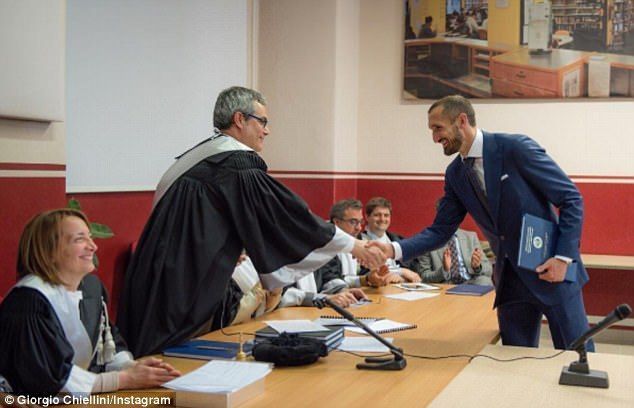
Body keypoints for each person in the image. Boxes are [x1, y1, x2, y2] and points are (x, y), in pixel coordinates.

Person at [117, 86, 385, 357]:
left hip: (160, 275)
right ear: (239, 119)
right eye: (263, 122)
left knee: (158, 358)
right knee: (172, 368)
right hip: (181, 286)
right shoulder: (233, 163)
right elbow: (287, 215)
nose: (266, 131)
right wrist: (353, 246)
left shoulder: (199, 158)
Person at [370, 95, 593, 351]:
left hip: (553, 272)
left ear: (461, 120)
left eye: (438, 128)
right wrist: (393, 250)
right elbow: (440, 230)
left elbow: (571, 199)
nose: (434, 138)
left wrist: (564, 258)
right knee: (513, 364)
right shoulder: (455, 174)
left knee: (579, 360)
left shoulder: (515, 148)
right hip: (511, 283)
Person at [0, 209, 180, 397]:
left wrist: (129, 366)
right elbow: (45, 379)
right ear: (49, 251)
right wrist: (124, 379)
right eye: (79, 239)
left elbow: (108, 341)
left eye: (90, 237)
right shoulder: (28, 303)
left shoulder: (91, 289)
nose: (93, 246)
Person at [313, 199, 394, 289]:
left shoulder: (356, 238)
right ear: (337, 222)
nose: (359, 228)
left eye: (360, 222)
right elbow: (330, 280)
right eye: (353, 222)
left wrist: (370, 278)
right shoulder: (324, 243)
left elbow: (356, 275)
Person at [362, 197, 423, 283]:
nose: (382, 219)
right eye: (377, 215)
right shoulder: (359, 242)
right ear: (367, 217)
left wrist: (401, 278)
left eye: (386, 215)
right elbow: (364, 275)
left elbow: (415, 273)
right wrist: (401, 271)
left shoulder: (398, 240)